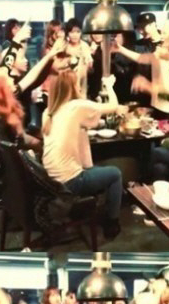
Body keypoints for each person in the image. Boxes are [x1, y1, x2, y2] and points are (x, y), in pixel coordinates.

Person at [42, 70, 128, 239]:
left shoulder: (48, 112)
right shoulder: (75, 107)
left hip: (51, 179)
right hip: (70, 181)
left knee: (94, 169)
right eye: (77, 84)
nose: (80, 87)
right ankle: (112, 222)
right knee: (115, 174)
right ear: (72, 87)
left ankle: (99, 207)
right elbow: (113, 106)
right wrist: (109, 86)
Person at [0, 69, 42, 153]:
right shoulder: (0, 117)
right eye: (8, 78)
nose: (12, 79)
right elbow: (18, 144)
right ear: (1, 88)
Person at [64, 18, 93, 98]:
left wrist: (89, 64)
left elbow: (89, 65)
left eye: (78, 32)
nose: (75, 35)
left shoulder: (84, 46)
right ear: (68, 33)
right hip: (67, 83)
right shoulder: (64, 47)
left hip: (82, 84)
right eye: (72, 32)